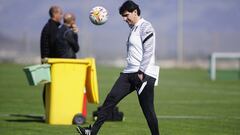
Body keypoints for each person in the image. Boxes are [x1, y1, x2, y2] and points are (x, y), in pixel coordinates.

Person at [77, 1, 160, 135]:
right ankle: (92, 131)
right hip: (128, 73)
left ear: (135, 12)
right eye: (122, 16)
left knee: (148, 111)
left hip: (143, 74)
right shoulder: (133, 28)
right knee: (110, 99)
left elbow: (149, 51)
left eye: (126, 15)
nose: (124, 19)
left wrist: (141, 71)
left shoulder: (146, 26)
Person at [40, 6, 63, 109]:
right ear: (55, 14)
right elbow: (55, 46)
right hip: (51, 62)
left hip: (48, 61)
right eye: (60, 13)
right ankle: (49, 110)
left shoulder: (51, 26)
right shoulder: (52, 28)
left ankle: (49, 110)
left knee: (49, 87)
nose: (61, 16)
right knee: (50, 88)